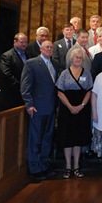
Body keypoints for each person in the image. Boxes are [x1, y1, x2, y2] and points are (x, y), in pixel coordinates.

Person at [20, 40, 58, 181]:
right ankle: (35, 169)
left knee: (47, 139)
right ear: (40, 49)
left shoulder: (54, 64)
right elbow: (25, 86)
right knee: (35, 139)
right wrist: (29, 104)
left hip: (51, 107)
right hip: (37, 108)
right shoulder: (31, 63)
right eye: (46, 47)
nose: (49, 49)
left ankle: (44, 165)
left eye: (51, 47)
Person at [56, 47, 93, 179]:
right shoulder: (64, 74)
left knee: (78, 137)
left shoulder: (87, 73)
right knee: (67, 138)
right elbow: (60, 92)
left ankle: (76, 167)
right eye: (76, 57)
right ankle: (67, 167)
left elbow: (89, 91)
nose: (78, 59)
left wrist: (82, 105)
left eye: (81, 58)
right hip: (67, 109)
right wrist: (70, 106)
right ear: (71, 59)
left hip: (82, 109)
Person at [0, 32, 29, 111]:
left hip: (24, 94)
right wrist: (19, 86)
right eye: (21, 42)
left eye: (26, 42)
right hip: (12, 94)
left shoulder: (28, 55)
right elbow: (6, 74)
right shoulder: (7, 56)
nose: (24, 44)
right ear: (15, 42)